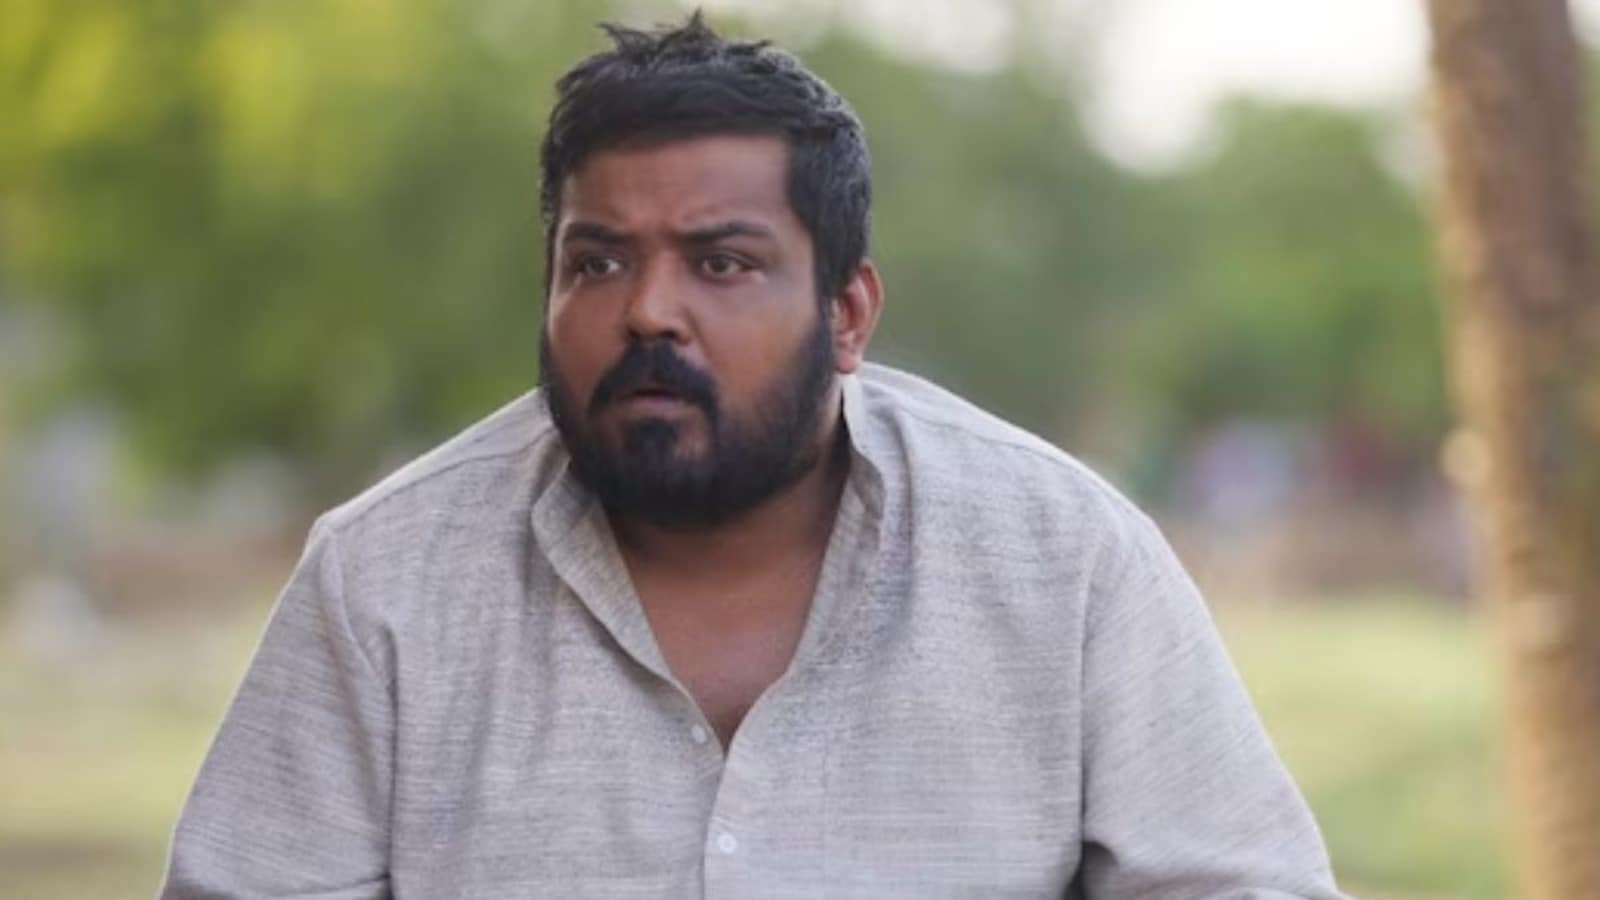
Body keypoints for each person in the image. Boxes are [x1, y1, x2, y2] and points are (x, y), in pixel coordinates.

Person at [163, 13, 1344, 899]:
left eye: (721, 263)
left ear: (847, 315)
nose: (647, 312)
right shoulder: (383, 583)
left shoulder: (1061, 561)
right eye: (597, 262)